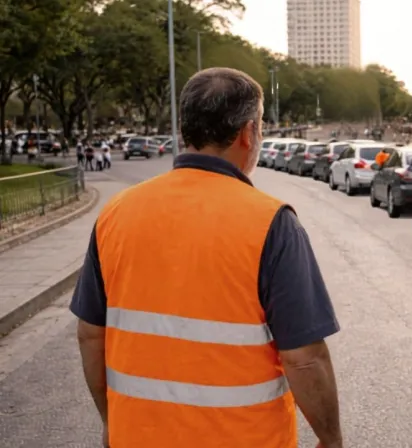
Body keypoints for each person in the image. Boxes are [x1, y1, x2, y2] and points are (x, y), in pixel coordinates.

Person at [70, 67, 343, 448]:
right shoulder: (272, 223)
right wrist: (331, 440)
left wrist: (110, 421)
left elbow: (89, 334)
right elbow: (304, 358)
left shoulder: (117, 213)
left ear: (186, 130)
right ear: (248, 133)